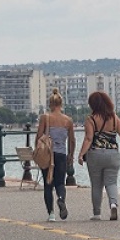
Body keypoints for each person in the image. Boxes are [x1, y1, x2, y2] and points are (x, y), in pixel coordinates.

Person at [77, 91, 120, 221]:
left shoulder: (90, 119)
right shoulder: (114, 118)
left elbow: (88, 138)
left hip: (95, 155)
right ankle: (113, 205)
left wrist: (81, 154)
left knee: (96, 184)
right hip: (112, 155)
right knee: (111, 182)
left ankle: (97, 213)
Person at [36, 88, 75, 222]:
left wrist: (37, 151)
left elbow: (39, 136)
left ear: (50, 104)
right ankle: (61, 199)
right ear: (61, 104)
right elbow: (72, 140)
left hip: (47, 154)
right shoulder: (68, 120)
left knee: (48, 184)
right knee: (60, 183)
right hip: (61, 154)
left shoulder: (45, 117)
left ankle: (51, 214)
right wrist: (71, 154)